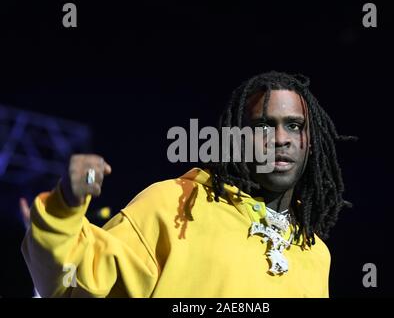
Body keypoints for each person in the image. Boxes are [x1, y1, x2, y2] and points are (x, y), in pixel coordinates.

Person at [22, 71, 356, 297]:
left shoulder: (314, 253)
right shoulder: (174, 205)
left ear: (311, 142)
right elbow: (72, 284)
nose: (281, 138)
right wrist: (63, 209)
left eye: (294, 126)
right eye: (263, 126)